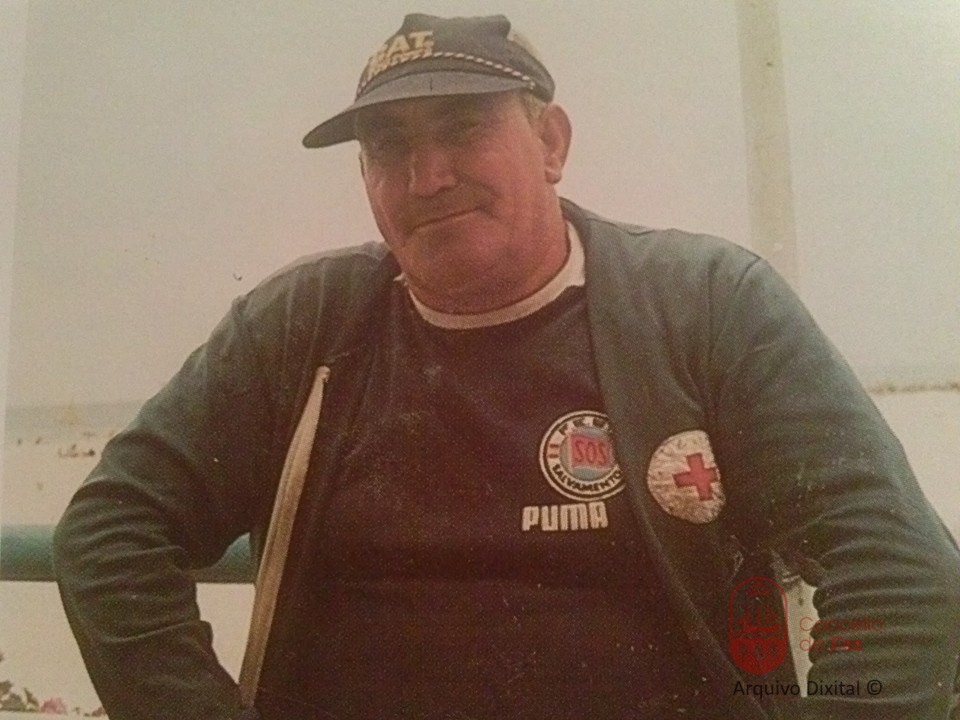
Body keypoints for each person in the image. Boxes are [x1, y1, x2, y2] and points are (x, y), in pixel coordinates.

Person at [53, 13, 960, 720]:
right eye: (389, 147)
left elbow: (891, 558)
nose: (427, 175)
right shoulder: (303, 325)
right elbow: (111, 528)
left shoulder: (706, 304)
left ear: (552, 142)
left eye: (462, 128)